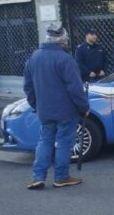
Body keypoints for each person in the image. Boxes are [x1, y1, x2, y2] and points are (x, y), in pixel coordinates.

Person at [23, 24, 88, 189]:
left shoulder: (34, 58)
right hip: (66, 110)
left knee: (45, 141)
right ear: (63, 40)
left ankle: (38, 177)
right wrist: (84, 107)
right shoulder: (65, 59)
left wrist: (36, 105)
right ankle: (61, 177)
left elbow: (28, 87)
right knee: (64, 143)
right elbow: (75, 88)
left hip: (45, 109)